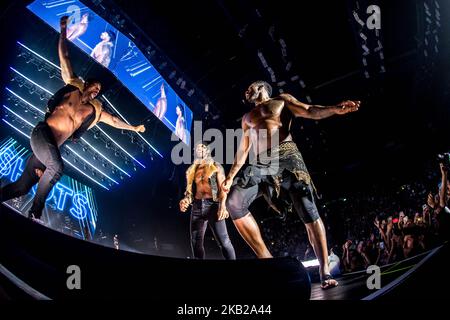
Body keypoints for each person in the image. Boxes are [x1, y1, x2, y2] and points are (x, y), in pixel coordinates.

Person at [0, 16, 145, 222]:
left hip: (51, 149)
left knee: (21, 187)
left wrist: (133, 128)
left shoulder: (94, 111)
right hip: (42, 134)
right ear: (87, 84)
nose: (96, 91)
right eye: (95, 87)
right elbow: (64, 56)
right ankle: (35, 214)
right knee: (57, 168)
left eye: (99, 91)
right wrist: (63, 30)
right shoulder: (74, 85)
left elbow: (113, 121)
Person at [222, 80, 360, 289]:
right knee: (233, 202)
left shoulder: (281, 100)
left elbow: (309, 110)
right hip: (261, 163)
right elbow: (243, 151)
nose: (246, 90)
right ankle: (269, 262)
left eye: (250, 87)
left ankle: (324, 271)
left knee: (307, 208)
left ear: (262, 88)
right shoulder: (246, 118)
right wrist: (231, 176)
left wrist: (334, 109)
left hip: (286, 155)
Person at [179, 143, 236, 260]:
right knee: (195, 243)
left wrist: (222, 206)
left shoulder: (216, 166)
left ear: (207, 150)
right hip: (197, 207)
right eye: (198, 148)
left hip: (213, 206)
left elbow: (223, 189)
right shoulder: (191, 170)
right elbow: (190, 192)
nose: (200, 149)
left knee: (224, 241)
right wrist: (185, 200)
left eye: (203, 147)